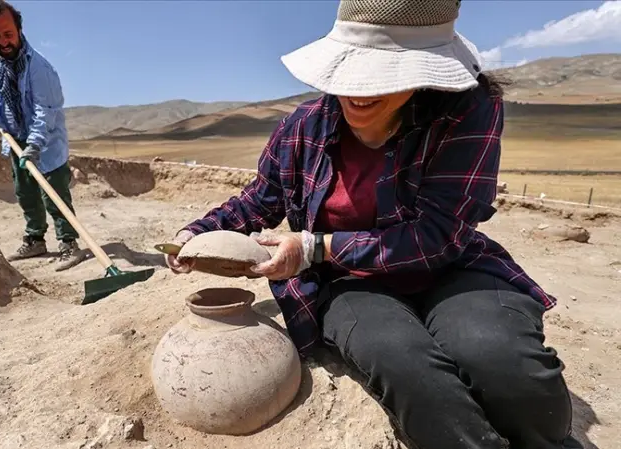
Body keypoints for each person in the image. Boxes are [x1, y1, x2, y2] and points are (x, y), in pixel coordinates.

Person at [165, 1, 582, 448]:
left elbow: (438, 236)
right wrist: (196, 233)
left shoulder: (467, 114)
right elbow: (259, 200)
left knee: (503, 364)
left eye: (384, 76)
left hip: (452, 267)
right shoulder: (302, 128)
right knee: (405, 364)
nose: (358, 92)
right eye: (349, 74)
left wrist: (313, 247)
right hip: (350, 283)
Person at [0, 0, 85, 271]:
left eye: (8, 34)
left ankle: (69, 243)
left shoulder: (40, 69)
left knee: (54, 192)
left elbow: (45, 112)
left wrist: (35, 144)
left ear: (19, 29)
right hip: (15, 136)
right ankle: (35, 239)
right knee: (24, 192)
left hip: (45, 140)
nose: (3, 42)